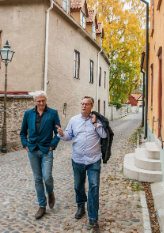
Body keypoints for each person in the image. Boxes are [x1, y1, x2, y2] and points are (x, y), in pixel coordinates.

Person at [56, 96, 107, 229]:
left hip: (93, 160)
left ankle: (93, 217)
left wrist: (96, 124)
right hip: (77, 159)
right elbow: (68, 136)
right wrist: (62, 133)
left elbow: (104, 135)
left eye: (87, 104)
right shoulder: (74, 120)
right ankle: (80, 206)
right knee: (78, 185)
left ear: (91, 106)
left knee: (93, 187)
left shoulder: (98, 120)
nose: (84, 106)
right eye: (82, 104)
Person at [20, 91, 61, 219]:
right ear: (35, 101)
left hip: (46, 150)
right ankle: (42, 206)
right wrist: (25, 144)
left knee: (47, 176)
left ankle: (50, 192)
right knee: (37, 179)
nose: (41, 103)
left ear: (46, 101)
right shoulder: (28, 114)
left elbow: (58, 132)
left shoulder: (53, 113)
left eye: (43, 101)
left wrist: (52, 145)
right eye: (39, 101)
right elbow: (22, 132)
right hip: (32, 150)